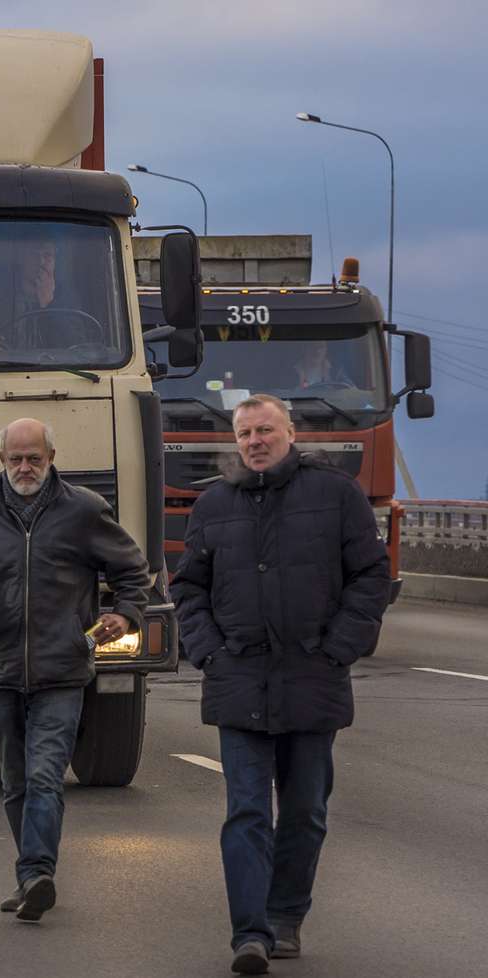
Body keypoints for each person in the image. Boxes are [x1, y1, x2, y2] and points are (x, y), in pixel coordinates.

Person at [170, 393, 390, 975]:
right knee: (246, 812)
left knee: (304, 812)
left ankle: (286, 915)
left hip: (313, 680)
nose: (255, 442)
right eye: (245, 435)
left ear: (291, 432)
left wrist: (340, 647)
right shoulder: (214, 505)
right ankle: (251, 933)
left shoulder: (336, 496)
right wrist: (209, 653)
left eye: (265, 430)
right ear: (236, 442)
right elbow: (187, 588)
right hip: (238, 681)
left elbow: (371, 575)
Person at [0, 417, 151, 923]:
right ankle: (30, 876)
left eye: (35, 459)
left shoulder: (85, 510)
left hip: (63, 668)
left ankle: (36, 873)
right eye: (15, 459)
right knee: (16, 782)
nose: (25, 468)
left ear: (51, 457)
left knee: (45, 776)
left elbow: (133, 571)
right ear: (1, 460)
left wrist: (124, 612)